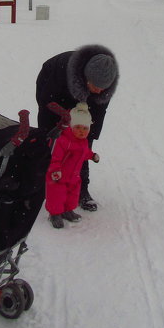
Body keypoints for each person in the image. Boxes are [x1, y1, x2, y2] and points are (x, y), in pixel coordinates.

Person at [36, 44, 119, 211]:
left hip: (77, 93)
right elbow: (46, 101)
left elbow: (98, 112)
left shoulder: (104, 85)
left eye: (103, 88)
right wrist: (60, 122)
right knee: (51, 140)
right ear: (87, 77)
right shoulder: (61, 71)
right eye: (96, 86)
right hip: (53, 89)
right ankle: (41, 183)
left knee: (80, 144)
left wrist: (89, 136)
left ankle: (82, 190)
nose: (99, 90)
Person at [45, 103, 100, 229]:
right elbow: (54, 158)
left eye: (85, 128)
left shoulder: (83, 142)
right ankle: (54, 214)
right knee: (56, 196)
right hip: (58, 176)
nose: (82, 131)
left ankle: (67, 211)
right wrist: (55, 170)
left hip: (74, 177)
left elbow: (85, 153)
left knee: (72, 195)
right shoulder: (62, 140)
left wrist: (92, 156)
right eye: (78, 127)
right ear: (70, 127)